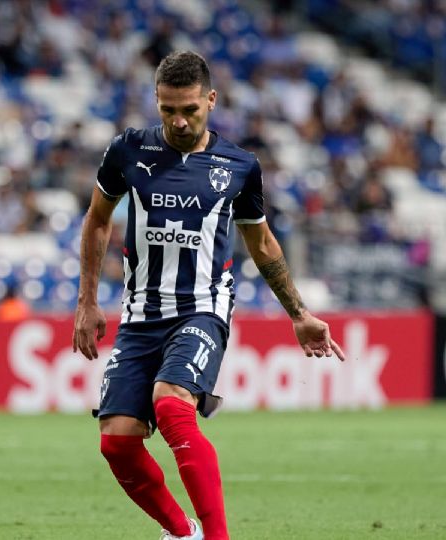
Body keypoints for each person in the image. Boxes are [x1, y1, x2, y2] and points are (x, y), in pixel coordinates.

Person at [72, 51, 345, 540]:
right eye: (168, 109)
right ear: (156, 100)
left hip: (202, 310)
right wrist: (87, 301)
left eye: (190, 110)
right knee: (117, 442)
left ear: (211, 101)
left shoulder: (239, 166)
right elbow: (96, 220)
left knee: (171, 404)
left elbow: (261, 242)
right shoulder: (127, 151)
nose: (178, 120)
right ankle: (182, 533)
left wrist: (299, 313)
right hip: (139, 314)